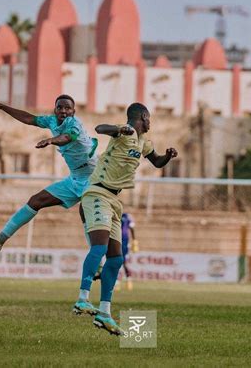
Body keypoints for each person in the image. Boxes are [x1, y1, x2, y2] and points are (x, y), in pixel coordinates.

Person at [73, 102, 178, 335]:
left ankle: (104, 313)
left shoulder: (143, 142)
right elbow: (100, 128)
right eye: (148, 118)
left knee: (116, 258)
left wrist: (168, 157)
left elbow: (157, 161)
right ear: (141, 117)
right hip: (97, 192)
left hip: (114, 200)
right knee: (99, 248)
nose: (150, 122)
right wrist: (120, 130)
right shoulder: (125, 132)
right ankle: (82, 298)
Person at [0, 93, 98, 253]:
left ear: (73, 112)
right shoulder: (52, 121)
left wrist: (51, 140)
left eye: (68, 108)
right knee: (36, 201)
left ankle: (97, 262)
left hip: (94, 177)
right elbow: (29, 119)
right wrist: (1, 107)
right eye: (59, 107)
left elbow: (69, 137)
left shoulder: (75, 124)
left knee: (85, 211)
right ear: (55, 110)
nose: (63, 111)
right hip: (75, 178)